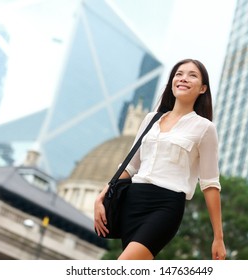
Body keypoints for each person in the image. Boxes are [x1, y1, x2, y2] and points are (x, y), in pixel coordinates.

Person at [94, 58, 226, 260]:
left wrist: (218, 237)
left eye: (192, 75)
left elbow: (210, 184)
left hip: (165, 207)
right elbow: (130, 166)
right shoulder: (151, 119)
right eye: (179, 74)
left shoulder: (205, 128)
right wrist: (101, 196)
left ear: (202, 88)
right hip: (133, 202)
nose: (183, 78)